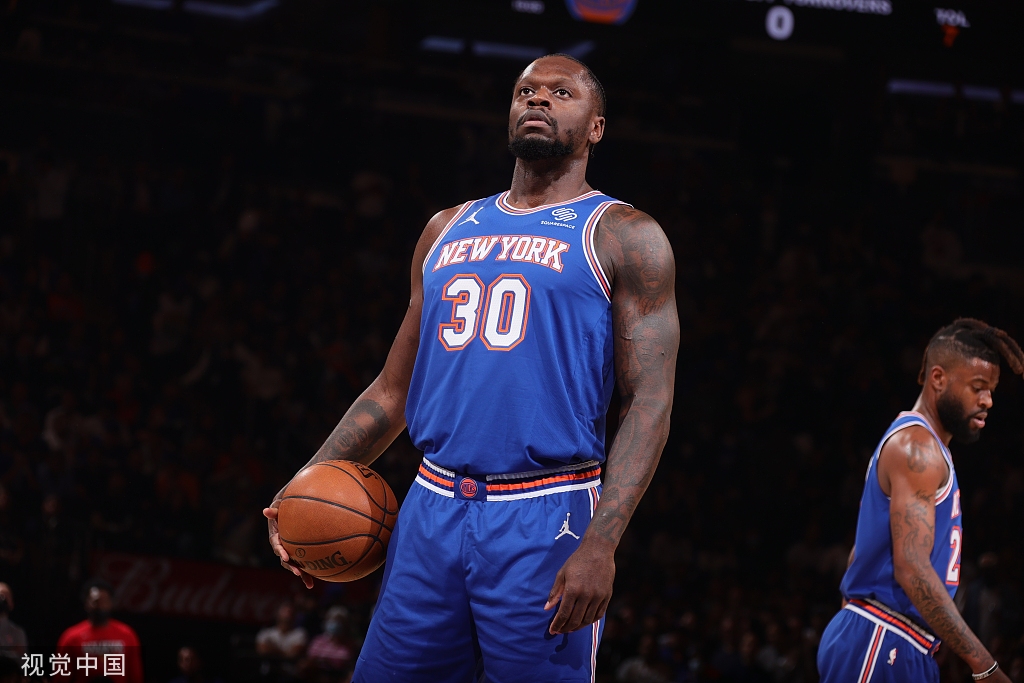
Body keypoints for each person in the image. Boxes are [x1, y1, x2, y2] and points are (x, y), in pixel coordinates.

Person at [265, 53, 679, 682]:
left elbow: (649, 400)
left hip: (547, 512)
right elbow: (394, 390)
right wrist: (305, 483)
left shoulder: (624, 234)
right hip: (431, 505)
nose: (537, 100)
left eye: (561, 93)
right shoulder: (446, 228)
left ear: (596, 127)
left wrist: (601, 541)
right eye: (525, 91)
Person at [818, 319, 1024, 682]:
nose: (987, 401)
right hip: (884, 638)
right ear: (938, 378)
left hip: (896, 641)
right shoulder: (919, 448)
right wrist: (985, 667)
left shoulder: (924, 447)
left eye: (991, 390)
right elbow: (911, 568)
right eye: (978, 387)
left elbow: (859, 553)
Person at [55, 578, 144, 683]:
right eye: (96, 601)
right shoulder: (71, 637)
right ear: (87, 603)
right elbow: (60, 678)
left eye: (104, 601)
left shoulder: (127, 634)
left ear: (111, 603)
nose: (100, 605)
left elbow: (135, 676)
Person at [255, 601, 307, 682]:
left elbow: (293, 654)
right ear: (278, 614)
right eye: (285, 612)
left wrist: (272, 649)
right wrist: (285, 652)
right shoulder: (266, 632)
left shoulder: (300, 633)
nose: (288, 615)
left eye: (291, 612)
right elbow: (263, 650)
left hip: (290, 674)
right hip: (267, 673)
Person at [304, 606, 357, 682]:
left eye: (339, 621)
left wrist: (326, 661)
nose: (336, 623)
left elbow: (345, 660)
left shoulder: (349, 644)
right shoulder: (319, 640)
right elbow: (311, 657)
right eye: (333, 620)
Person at [0, 583, 26, 661]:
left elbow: (22, 661)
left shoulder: (17, 633)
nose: (1, 601)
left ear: (11, 604)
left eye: (4, 598)